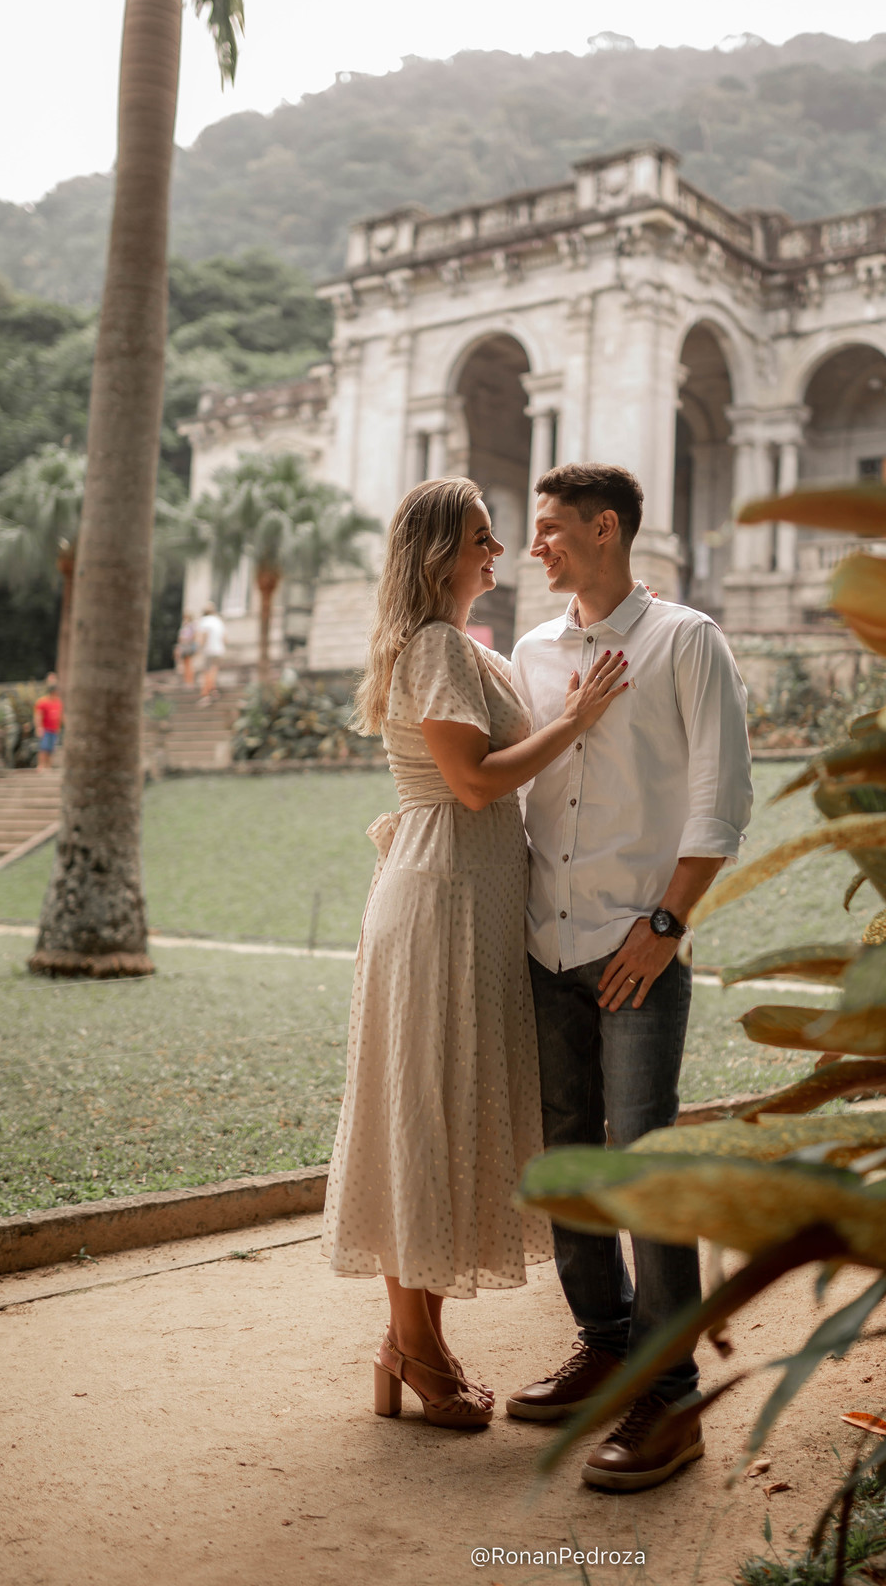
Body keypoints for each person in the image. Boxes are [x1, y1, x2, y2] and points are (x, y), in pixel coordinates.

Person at [323, 476, 629, 1430]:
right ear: (438, 555)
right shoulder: (436, 647)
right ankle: (415, 1348)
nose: (498, 552)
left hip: (469, 898)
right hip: (442, 897)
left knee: (440, 1113)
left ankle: (409, 1343)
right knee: (424, 1114)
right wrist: (575, 724)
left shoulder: (465, 649)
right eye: (481, 538)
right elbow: (470, 781)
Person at [508, 463, 753, 1492]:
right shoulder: (530, 652)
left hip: (636, 947)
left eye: (552, 529)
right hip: (545, 944)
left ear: (606, 528)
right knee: (570, 1152)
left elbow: (721, 801)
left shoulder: (687, 641)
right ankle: (605, 1345)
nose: (535, 546)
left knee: (645, 1160)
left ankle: (673, 1395)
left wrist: (664, 925)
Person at [196, 602, 226, 704]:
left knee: (207, 671)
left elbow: (203, 636)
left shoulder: (204, 621)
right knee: (214, 669)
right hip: (219, 650)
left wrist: (199, 648)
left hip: (209, 650)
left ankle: (206, 692)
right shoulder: (219, 621)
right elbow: (224, 638)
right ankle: (213, 690)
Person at [33, 675, 63, 771]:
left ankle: (49, 766)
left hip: (54, 729)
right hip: (45, 729)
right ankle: (41, 765)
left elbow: (60, 715)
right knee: (43, 748)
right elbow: (38, 716)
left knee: (51, 749)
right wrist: (39, 727)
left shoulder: (58, 702)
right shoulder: (43, 702)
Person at [174, 613, 198, 688]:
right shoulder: (186, 626)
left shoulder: (190, 626)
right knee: (185, 664)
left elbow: (192, 636)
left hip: (187, 646)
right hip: (184, 646)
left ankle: (189, 681)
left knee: (188, 664)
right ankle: (186, 680)